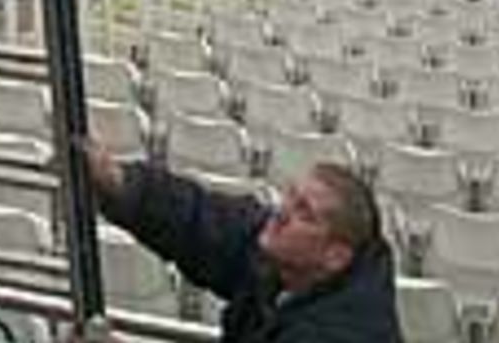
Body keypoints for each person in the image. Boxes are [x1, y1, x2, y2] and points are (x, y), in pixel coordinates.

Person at [86, 140, 400, 343]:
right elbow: (202, 221)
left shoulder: (345, 332)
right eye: (291, 196)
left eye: (305, 213)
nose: (282, 213)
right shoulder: (281, 252)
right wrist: (118, 181)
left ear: (336, 256)